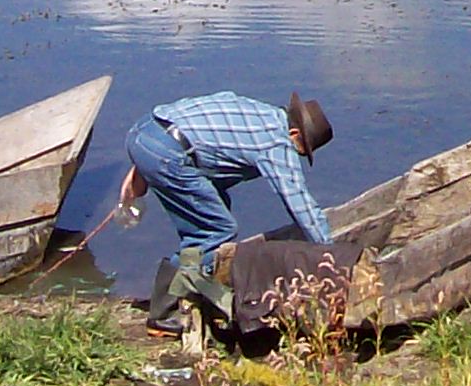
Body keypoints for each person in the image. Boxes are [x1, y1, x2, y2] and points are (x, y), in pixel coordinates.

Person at [122, 92, 333, 334]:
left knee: (214, 209)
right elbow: (300, 203)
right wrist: (329, 252)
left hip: (145, 131)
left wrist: (144, 159)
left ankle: (194, 285)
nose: (295, 157)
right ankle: (163, 313)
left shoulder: (260, 111)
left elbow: (194, 124)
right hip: (167, 153)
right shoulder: (276, 142)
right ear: (294, 134)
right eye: (300, 151)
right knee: (218, 231)